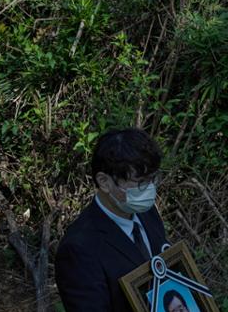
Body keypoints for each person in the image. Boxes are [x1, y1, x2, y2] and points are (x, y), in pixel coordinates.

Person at [55, 128, 168, 312]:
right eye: (139, 182)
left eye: (152, 179)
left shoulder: (146, 213)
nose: (149, 189)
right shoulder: (78, 250)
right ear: (105, 182)